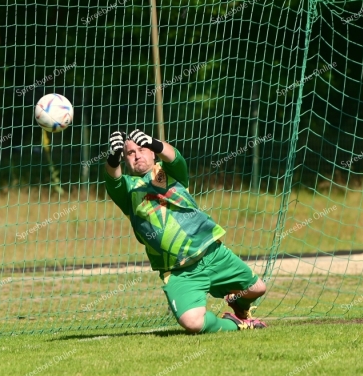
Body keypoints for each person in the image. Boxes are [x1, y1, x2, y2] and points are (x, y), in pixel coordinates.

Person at [103, 129, 267, 333]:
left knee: (258, 288)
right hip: (179, 272)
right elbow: (113, 179)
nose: (137, 155)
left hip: (212, 253)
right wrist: (113, 156)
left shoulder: (170, 173)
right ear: (125, 160)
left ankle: (238, 305)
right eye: (130, 153)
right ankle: (237, 324)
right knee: (193, 323)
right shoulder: (127, 190)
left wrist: (153, 142)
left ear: (153, 153)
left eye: (142, 149)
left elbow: (174, 157)